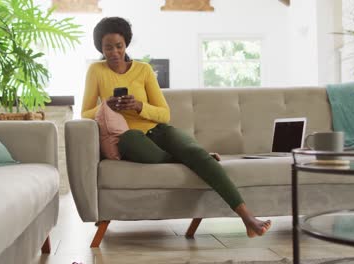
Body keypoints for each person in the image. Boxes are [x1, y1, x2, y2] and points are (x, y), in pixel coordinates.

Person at [81, 16, 271, 238]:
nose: (114, 52)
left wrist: (140, 106)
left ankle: (247, 217)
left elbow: (164, 113)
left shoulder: (143, 70)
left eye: (119, 46)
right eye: (108, 48)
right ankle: (197, 160)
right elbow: (85, 112)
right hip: (129, 137)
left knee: (193, 151)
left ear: (126, 44)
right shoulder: (96, 71)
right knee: (131, 139)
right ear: (100, 48)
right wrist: (106, 106)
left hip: (159, 131)